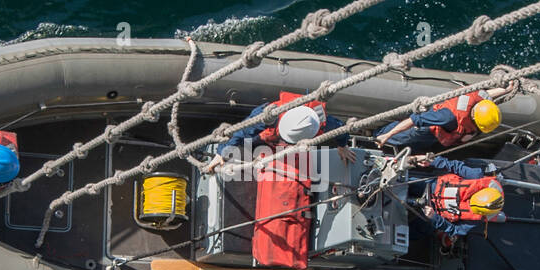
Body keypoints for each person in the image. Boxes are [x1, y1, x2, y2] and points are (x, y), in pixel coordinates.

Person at [202, 91, 349, 174]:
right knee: (248, 142)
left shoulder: (324, 123)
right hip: (269, 134)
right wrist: (221, 153)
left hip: (284, 141)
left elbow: (341, 130)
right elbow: (242, 132)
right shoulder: (267, 117)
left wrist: (343, 147)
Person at [405, 153, 506, 239]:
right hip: (430, 187)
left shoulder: (478, 218)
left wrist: (435, 218)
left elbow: (456, 230)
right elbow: (454, 166)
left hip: (435, 213)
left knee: (416, 231)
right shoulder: (476, 178)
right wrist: (432, 161)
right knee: (402, 182)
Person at [374, 87, 508, 151]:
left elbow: (488, 94)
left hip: (438, 136)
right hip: (426, 130)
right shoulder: (449, 117)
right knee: (400, 138)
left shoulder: (480, 103)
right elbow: (413, 120)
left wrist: (506, 90)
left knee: (418, 147)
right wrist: (387, 135)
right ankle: (376, 136)